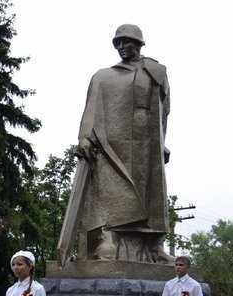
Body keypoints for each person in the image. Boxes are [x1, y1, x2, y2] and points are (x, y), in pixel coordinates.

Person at [69, 24, 173, 263]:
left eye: (126, 41)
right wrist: (84, 136)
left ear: (138, 43)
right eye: (117, 43)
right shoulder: (103, 76)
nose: (121, 47)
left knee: (152, 194)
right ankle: (108, 240)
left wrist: (163, 142)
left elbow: (164, 110)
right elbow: (92, 108)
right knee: (111, 190)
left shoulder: (156, 72)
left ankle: (153, 246)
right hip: (112, 145)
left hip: (147, 144)